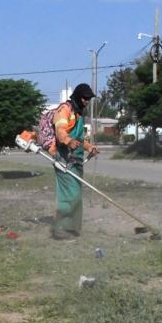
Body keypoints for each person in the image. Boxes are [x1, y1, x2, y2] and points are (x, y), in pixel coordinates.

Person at [49, 83, 99, 240]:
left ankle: (72, 228)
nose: (87, 101)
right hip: (64, 158)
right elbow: (60, 130)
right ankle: (60, 229)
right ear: (78, 96)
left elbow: (79, 139)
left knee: (76, 195)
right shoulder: (65, 109)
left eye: (89, 99)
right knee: (69, 194)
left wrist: (89, 147)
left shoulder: (78, 114)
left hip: (76, 160)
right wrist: (67, 140)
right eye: (85, 98)